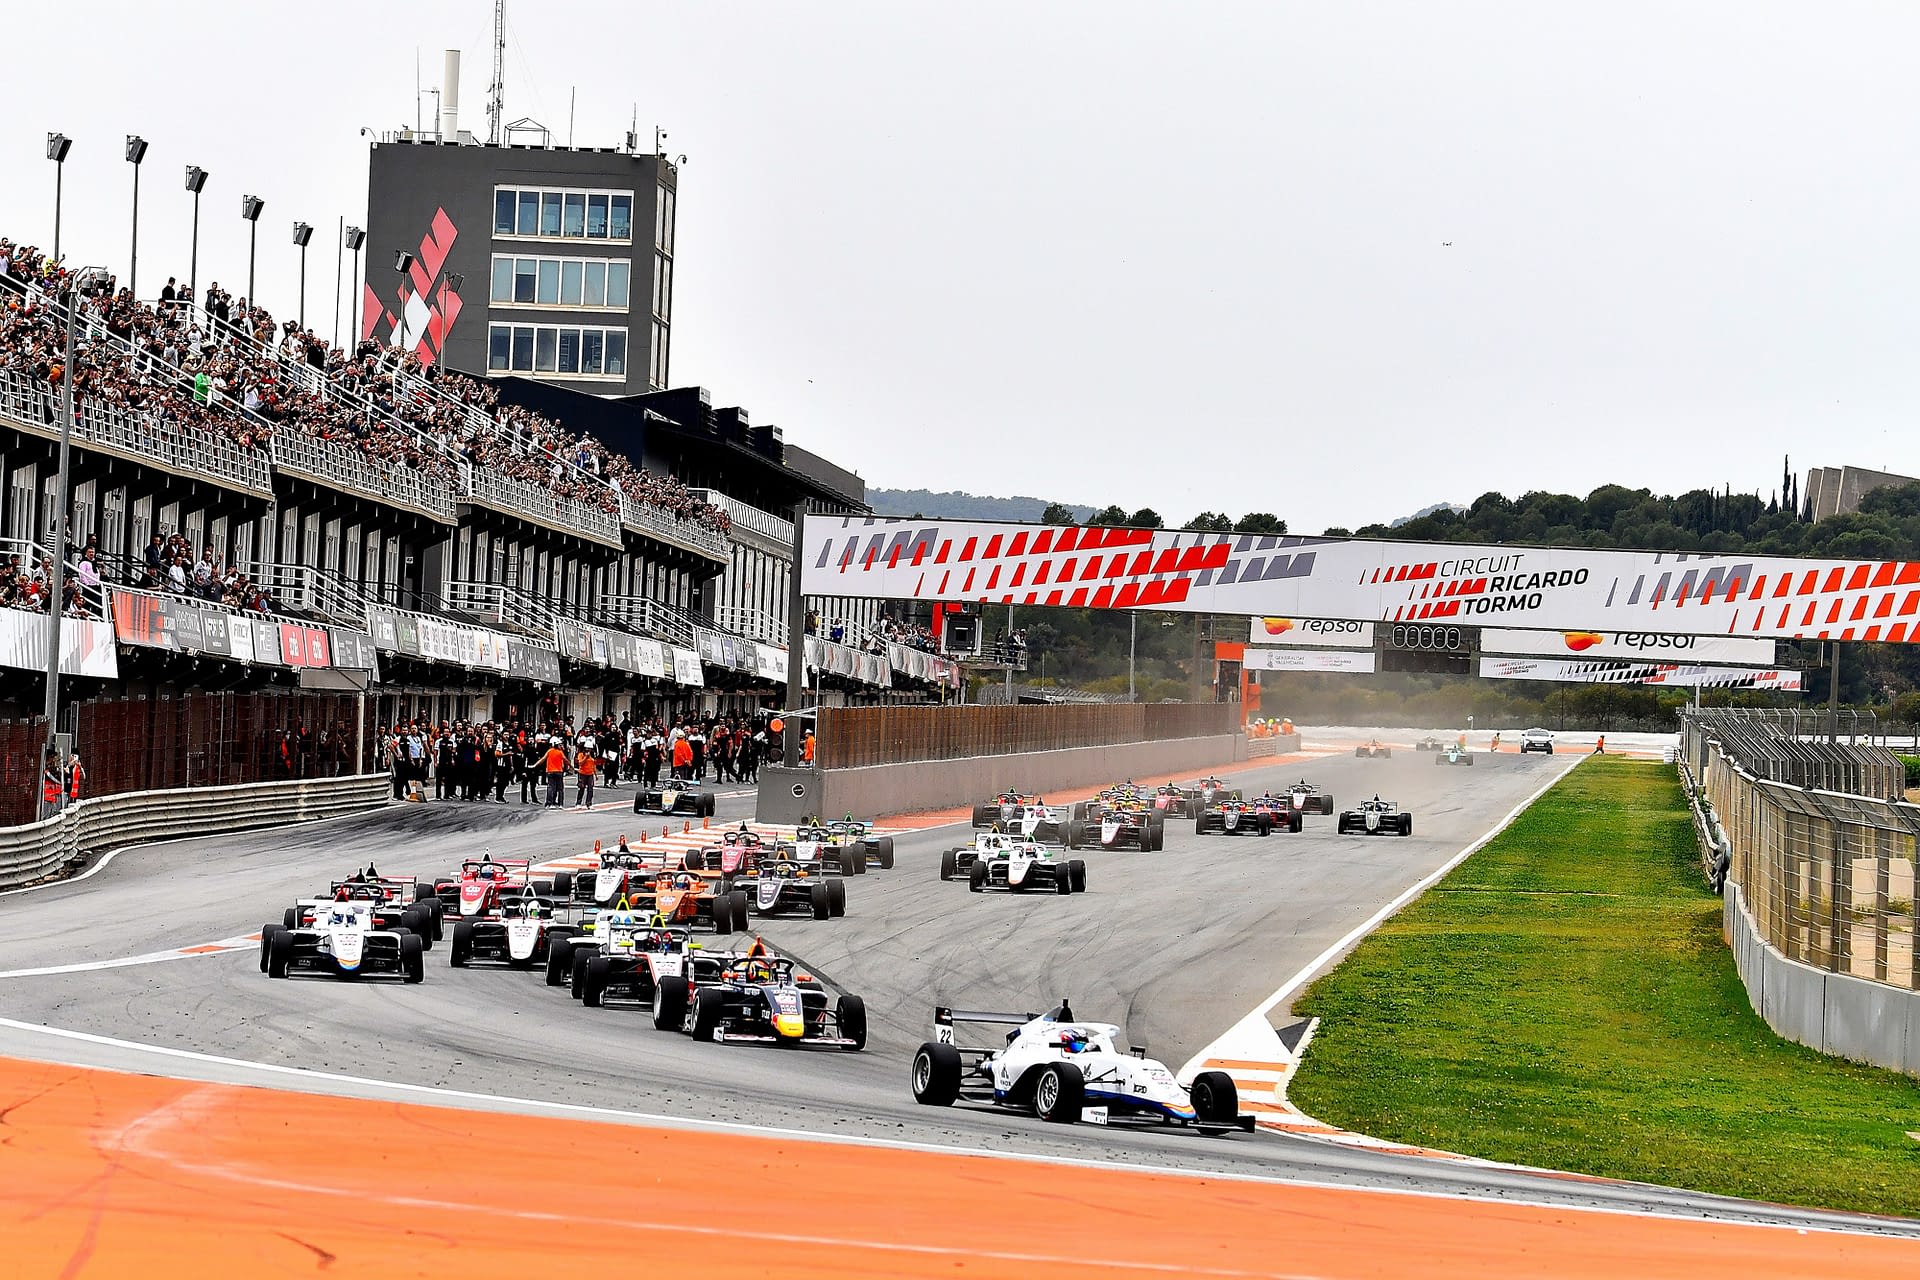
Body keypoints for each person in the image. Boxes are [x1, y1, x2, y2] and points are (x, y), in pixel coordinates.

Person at [544, 738, 568, 807]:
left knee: (551, 787)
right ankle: (560, 804)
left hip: (550, 771)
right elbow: (566, 760)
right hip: (558, 771)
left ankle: (549, 803)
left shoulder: (549, 751)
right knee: (560, 788)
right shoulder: (560, 752)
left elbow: (543, 759)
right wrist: (571, 767)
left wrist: (535, 765)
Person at [574, 744, 598, 808]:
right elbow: (580, 763)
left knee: (590, 789)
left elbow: (593, 765)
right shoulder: (581, 754)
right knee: (581, 788)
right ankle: (578, 803)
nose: (589, 750)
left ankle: (589, 803)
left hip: (590, 774)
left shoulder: (592, 755)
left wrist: (595, 774)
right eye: (587, 749)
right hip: (582, 774)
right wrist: (585, 757)